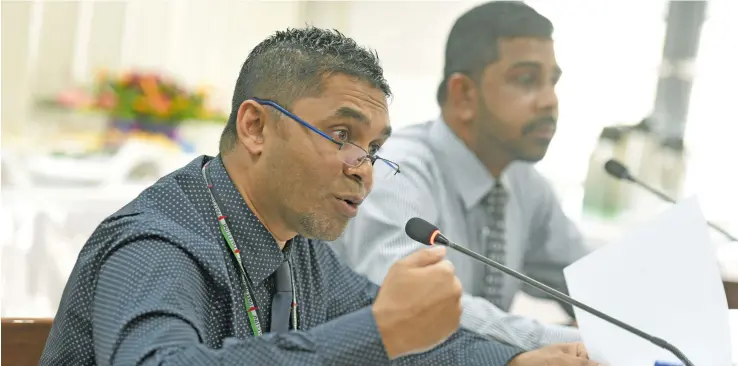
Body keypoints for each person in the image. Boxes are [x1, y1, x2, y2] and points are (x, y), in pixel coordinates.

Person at [40, 27, 597, 365]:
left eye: (374, 147)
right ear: (256, 128)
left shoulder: (299, 245)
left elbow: (405, 335)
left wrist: (512, 361)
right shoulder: (160, 244)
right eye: (341, 136)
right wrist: (378, 335)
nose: (364, 170)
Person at [331, 1, 590, 351]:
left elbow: (589, 282)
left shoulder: (526, 183)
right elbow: (419, 307)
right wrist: (572, 341)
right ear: (464, 94)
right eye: (527, 80)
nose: (549, 101)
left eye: (553, 82)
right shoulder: (398, 171)